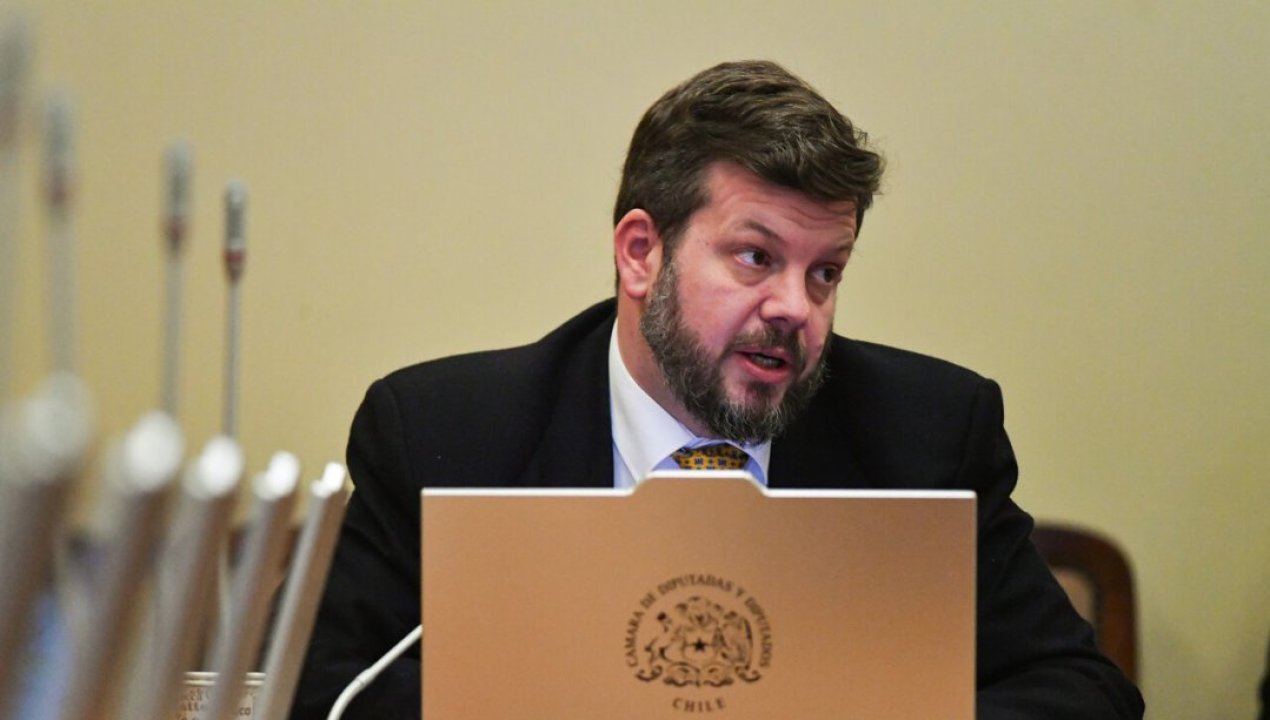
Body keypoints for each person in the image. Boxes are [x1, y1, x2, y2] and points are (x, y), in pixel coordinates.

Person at [289, 60, 1144, 719]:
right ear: (640, 254)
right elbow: (325, 692)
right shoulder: (446, 434)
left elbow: (1083, 692)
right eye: (755, 257)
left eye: (826, 272)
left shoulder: (928, 434)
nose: (795, 308)